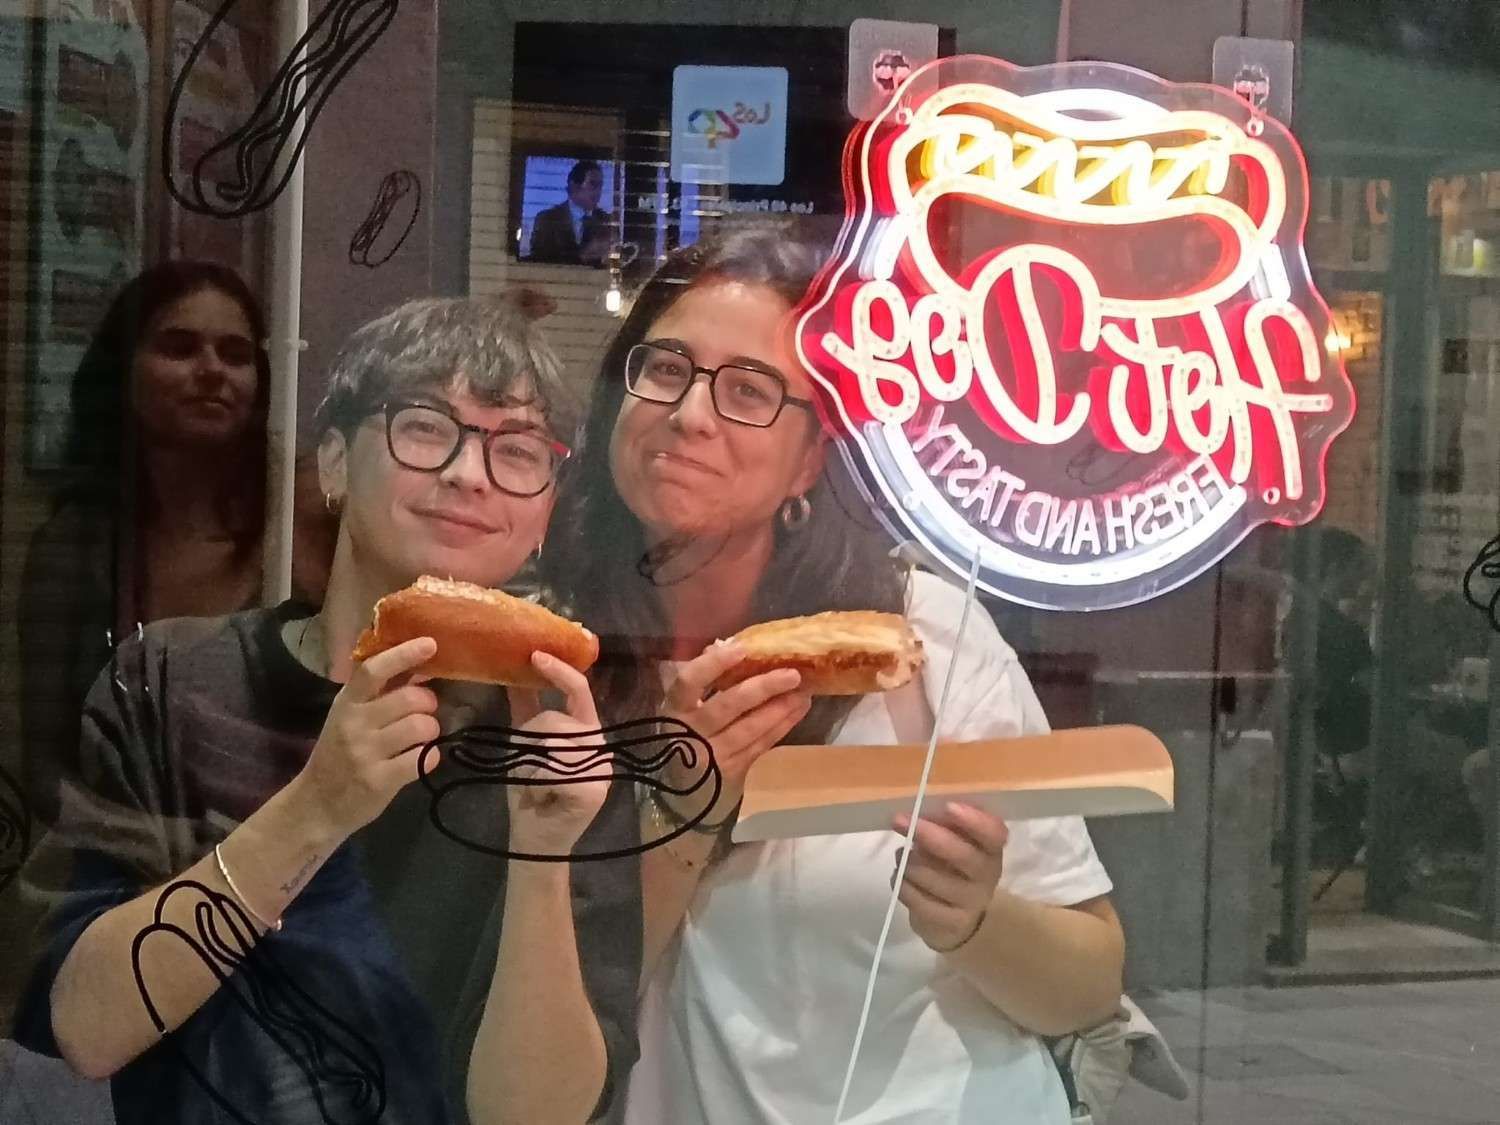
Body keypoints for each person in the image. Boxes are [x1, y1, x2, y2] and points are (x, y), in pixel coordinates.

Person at [544, 227, 1126, 1122]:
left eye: (748, 390)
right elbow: (554, 1023)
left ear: (811, 459)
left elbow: (1089, 981)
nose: (690, 414)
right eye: (664, 368)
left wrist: (975, 919)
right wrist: (679, 813)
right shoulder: (561, 662)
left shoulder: (918, 642)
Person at [12, 297, 640, 1125]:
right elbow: (84, 1026)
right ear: (335, 463)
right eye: (425, 427)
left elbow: (536, 1116)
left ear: (545, 513)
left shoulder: (564, 741)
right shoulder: (172, 680)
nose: (469, 472)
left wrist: (543, 851)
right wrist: (317, 806)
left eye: (518, 451)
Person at [18, 261, 336, 825]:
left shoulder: (310, 507)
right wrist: (148, 848)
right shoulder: (75, 544)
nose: (212, 370)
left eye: (235, 355)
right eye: (180, 348)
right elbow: (44, 765)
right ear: (123, 369)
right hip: (128, 857)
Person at [528, 160, 611, 266]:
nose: (598, 192)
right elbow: (538, 262)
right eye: (593, 184)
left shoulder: (606, 221)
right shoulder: (546, 219)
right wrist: (583, 256)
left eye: (600, 186)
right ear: (574, 186)